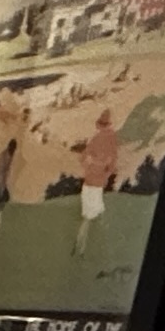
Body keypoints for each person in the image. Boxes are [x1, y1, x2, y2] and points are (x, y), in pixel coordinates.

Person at [73, 109, 121, 255]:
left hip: (89, 181)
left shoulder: (95, 139)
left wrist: (90, 166)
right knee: (95, 215)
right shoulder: (112, 140)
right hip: (98, 182)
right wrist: (105, 174)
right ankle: (85, 248)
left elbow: (82, 158)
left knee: (89, 217)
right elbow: (112, 166)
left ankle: (80, 247)